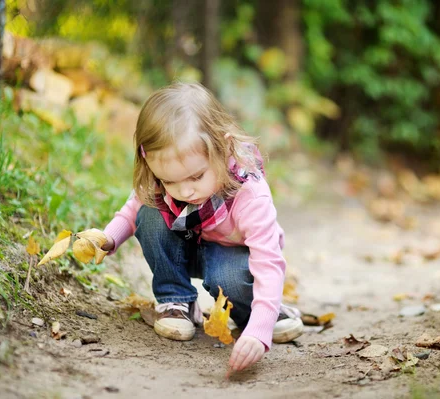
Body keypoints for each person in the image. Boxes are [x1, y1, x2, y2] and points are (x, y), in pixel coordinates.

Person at [100, 82, 304, 372]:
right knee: (150, 215)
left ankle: (257, 315)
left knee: (227, 276)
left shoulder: (249, 194)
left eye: (196, 177)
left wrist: (260, 331)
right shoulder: (166, 181)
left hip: (233, 259)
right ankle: (176, 302)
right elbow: (133, 209)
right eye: (171, 181)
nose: (185, 191)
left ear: (222, 146)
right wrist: (109, 238)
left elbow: (268, 263)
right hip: (187, 248)